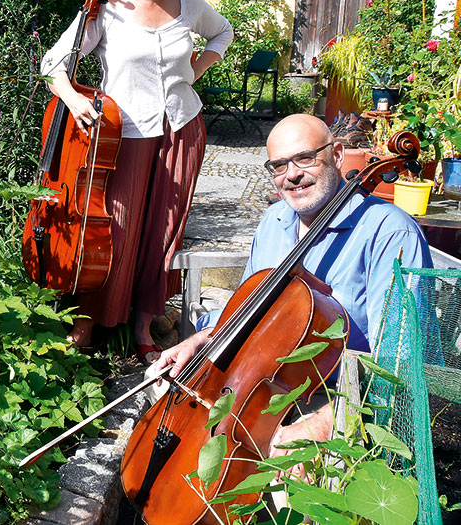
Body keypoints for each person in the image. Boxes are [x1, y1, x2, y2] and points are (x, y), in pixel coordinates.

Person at [152, 113, 432, 472]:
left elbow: (397, 364)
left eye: (305, 158)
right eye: (279, 165)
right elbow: (248, 312)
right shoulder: (274, 220)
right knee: (165, 397)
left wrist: (316, 427)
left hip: (338, 398)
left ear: (339, 155)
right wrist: (202, 340)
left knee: (283, 472)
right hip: (264, 388)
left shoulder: (392, 233)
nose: (292, 175)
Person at [40, 0, 233, 364]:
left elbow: (221, 33)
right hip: (125, 132)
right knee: (117, 228)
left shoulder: (188, 2)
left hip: (182, 128)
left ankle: (144, 323)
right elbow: (54, 63)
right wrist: (71, 97)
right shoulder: (107, 8)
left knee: (165, 231)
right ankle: (92, 318)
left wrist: (195, 71)